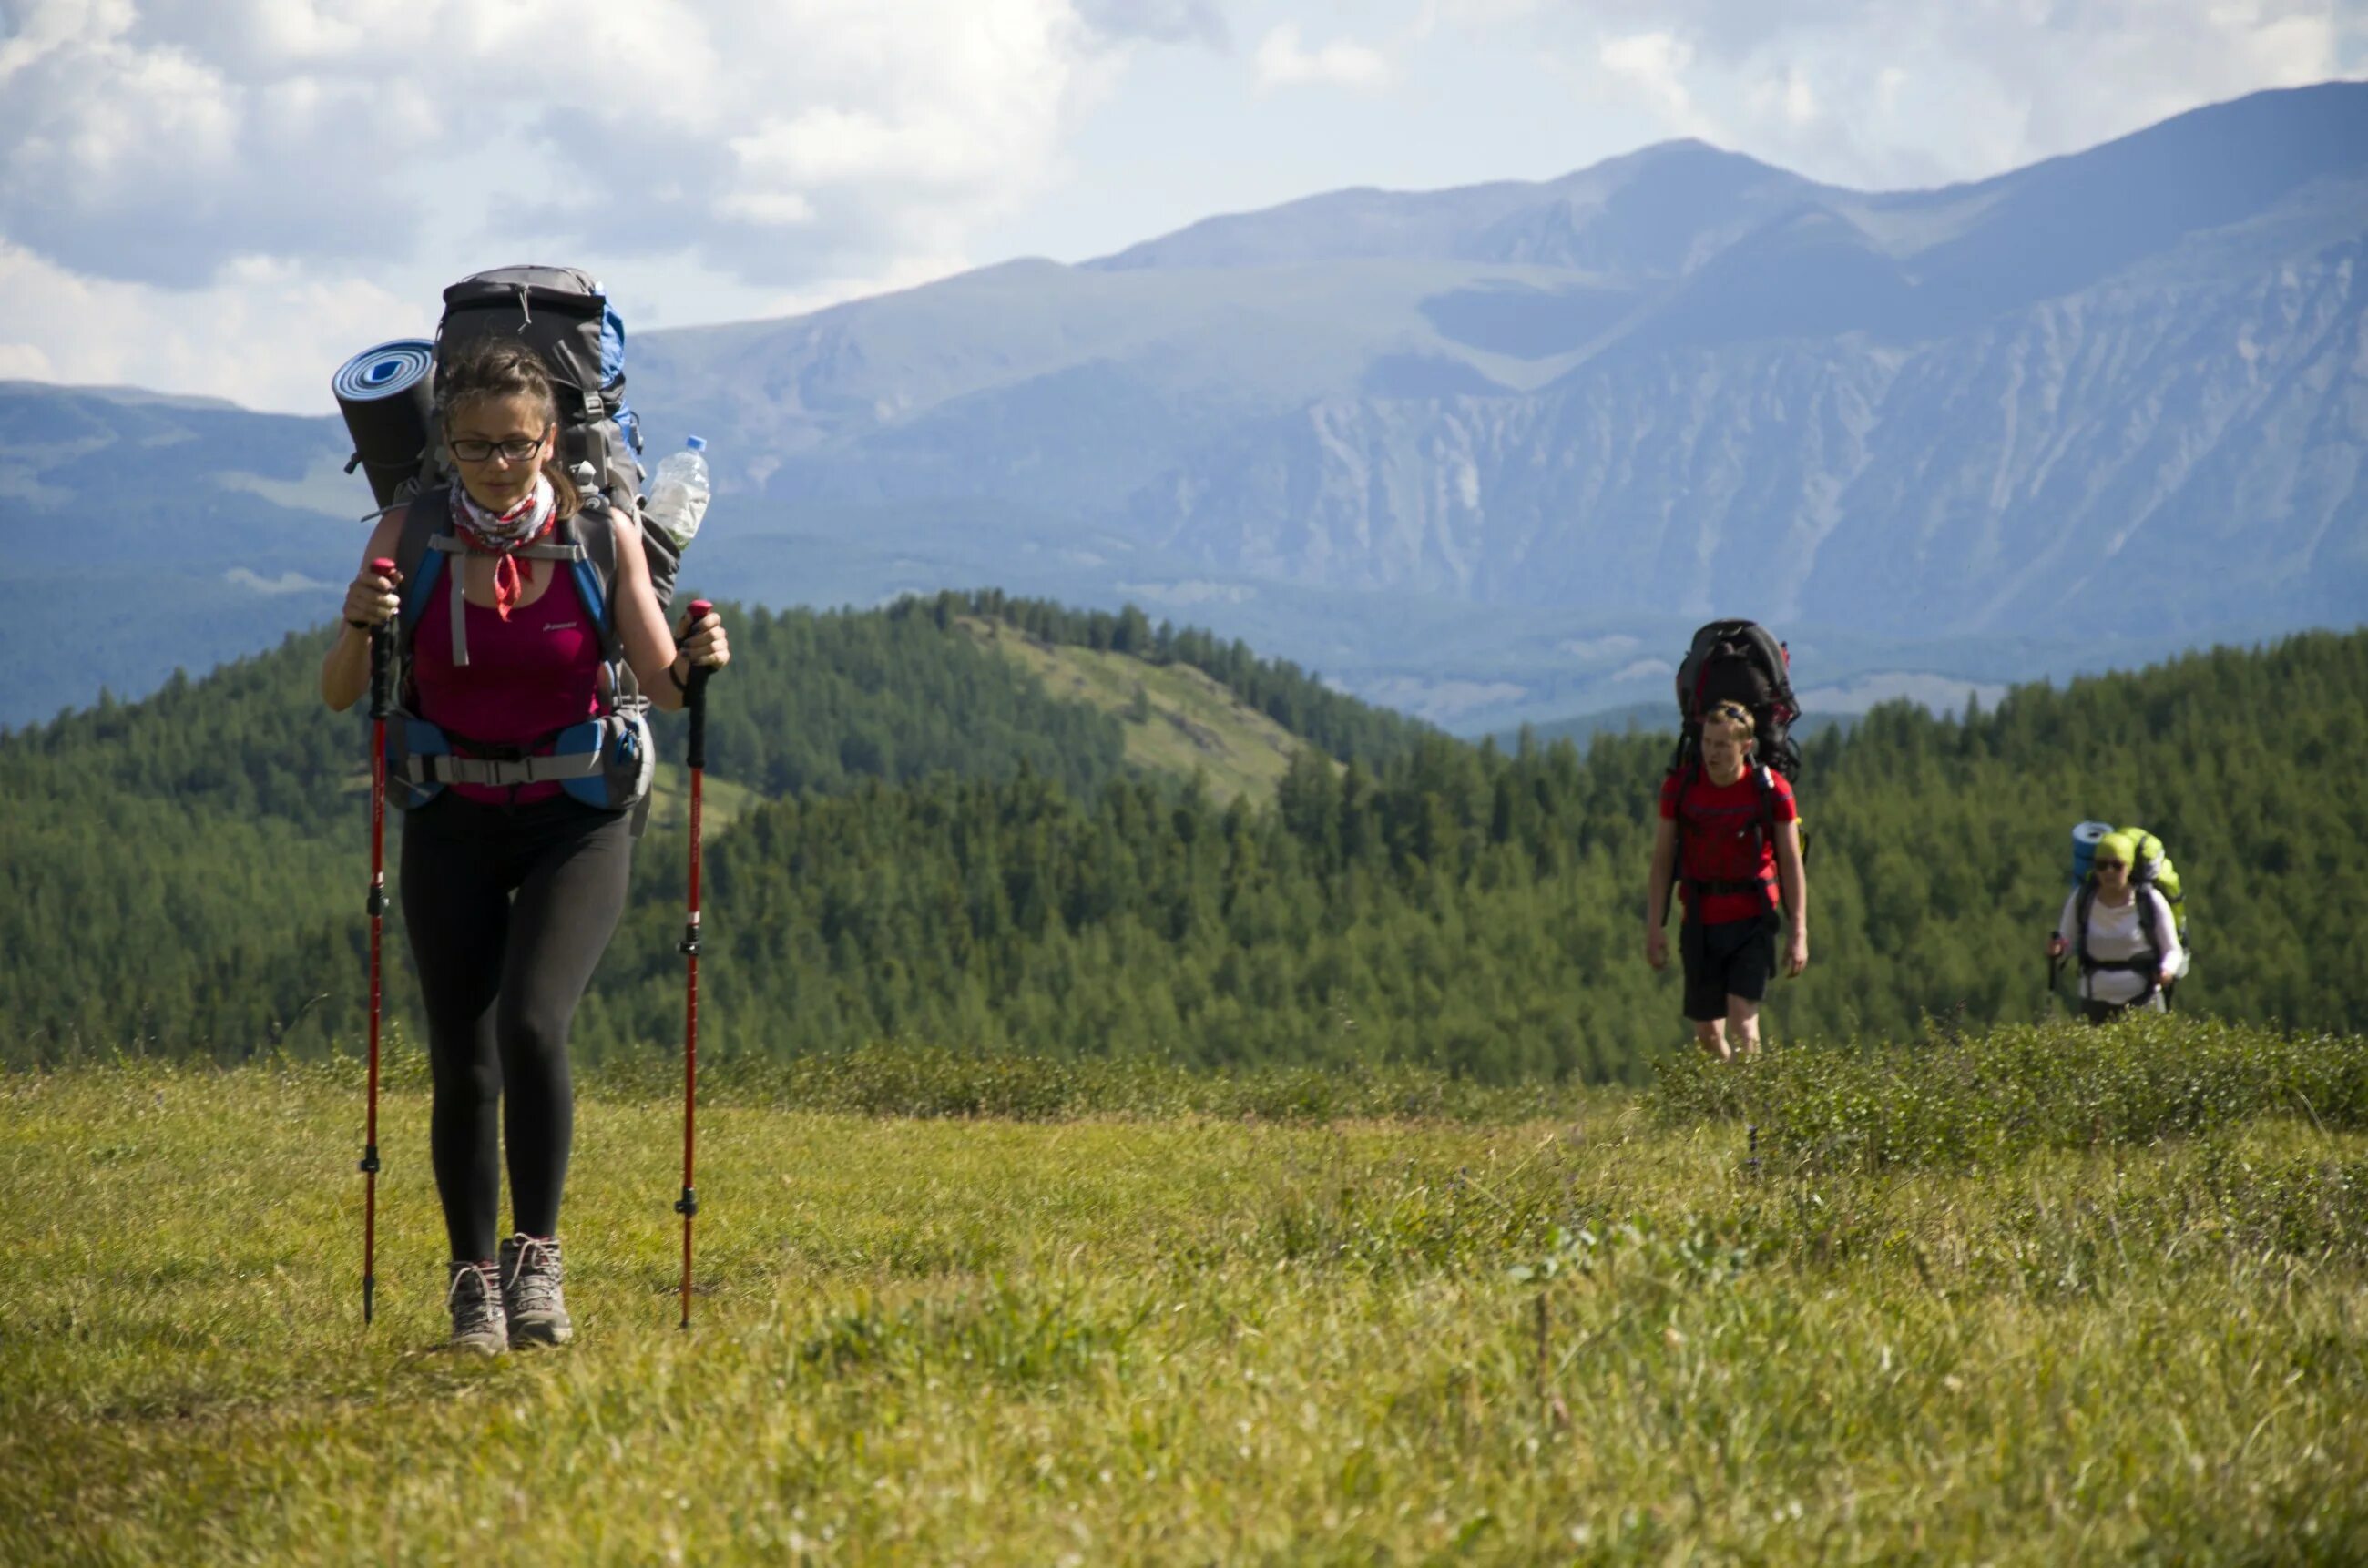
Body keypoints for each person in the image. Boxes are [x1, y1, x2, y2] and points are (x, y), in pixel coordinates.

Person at [322, 336, 730, 1354]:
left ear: (551, 439)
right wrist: (359, 622)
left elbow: (664, 684)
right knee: (461, 1058)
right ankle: (473, 1289)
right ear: (446, 445)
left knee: (533, 1028)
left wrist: (699, 661)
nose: (498, 465)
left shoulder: (602, 537)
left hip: (576, 817)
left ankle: (534, 1264)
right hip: (450, 814)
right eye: (474, 446)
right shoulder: (405, 534)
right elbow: (338, 692)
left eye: (515, 444)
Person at [1645, 700, 1809, 1060]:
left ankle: (1752, 1111)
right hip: (1701, 919)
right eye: (1707, 742)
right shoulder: (1680, 789)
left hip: (1753, 919)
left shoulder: (1771, 791)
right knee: (1706, 1033)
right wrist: (1655, 927)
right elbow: (1661, 863)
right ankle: (1734, 1102)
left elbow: (1791, 862)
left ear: (1745, 746)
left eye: (1722, 745)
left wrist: (1798, 931)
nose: (1711, 753)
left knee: (1743, 1021)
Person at [2048, 830, 2182, 1023]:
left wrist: (2166, 970)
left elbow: (2172, 950)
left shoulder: (2149, 901)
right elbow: (2066, 943)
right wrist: (2058, 949)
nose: (2109, 872)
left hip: (2144, 1000)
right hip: (2094, 1002)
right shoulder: (2082, 899)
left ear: (2129, 868)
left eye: (2117, 865)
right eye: (2102, 866)